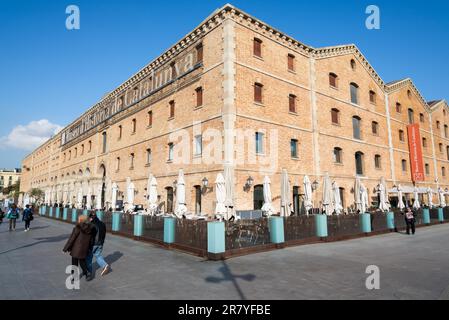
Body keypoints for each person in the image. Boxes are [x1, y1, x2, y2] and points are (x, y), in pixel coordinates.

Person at [63, 215, 97, 281]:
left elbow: (71, 239)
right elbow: (91, 240)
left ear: (81, 220)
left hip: (76, 249)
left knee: (74, 263)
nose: (78, 220)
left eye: (78, 219)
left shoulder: (77, 228)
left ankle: (74, 277)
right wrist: (89, 247)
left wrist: (65, 248)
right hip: (84, 249)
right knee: (82, 262)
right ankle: (87, 273)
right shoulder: (91, 229)